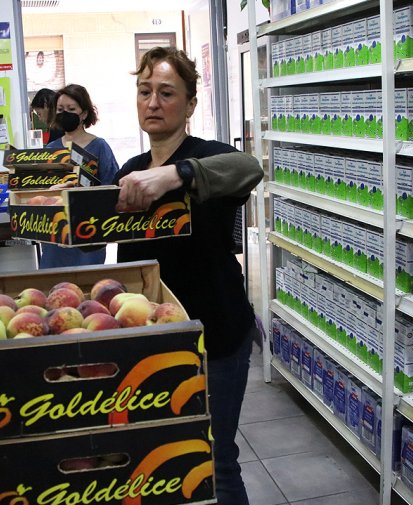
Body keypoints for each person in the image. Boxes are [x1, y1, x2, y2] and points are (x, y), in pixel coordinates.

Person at [114, 46, 263, 505]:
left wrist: (175, 175)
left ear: (190, 105)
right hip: (152, 344)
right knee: (161, 459)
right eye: (144, 92)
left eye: (166, 93)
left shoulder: (208, 159)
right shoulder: (129, 173)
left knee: (215, 461)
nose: (153, 103)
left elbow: (250, 168)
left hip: (213, 338)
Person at [39, 83, 120, 269]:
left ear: (83, 113)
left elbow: (112, 188)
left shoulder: (100, 147)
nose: (64, 113)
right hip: (55, 234)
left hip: (88, 230)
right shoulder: (49, 150)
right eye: (60, 109)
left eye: (71, 109)